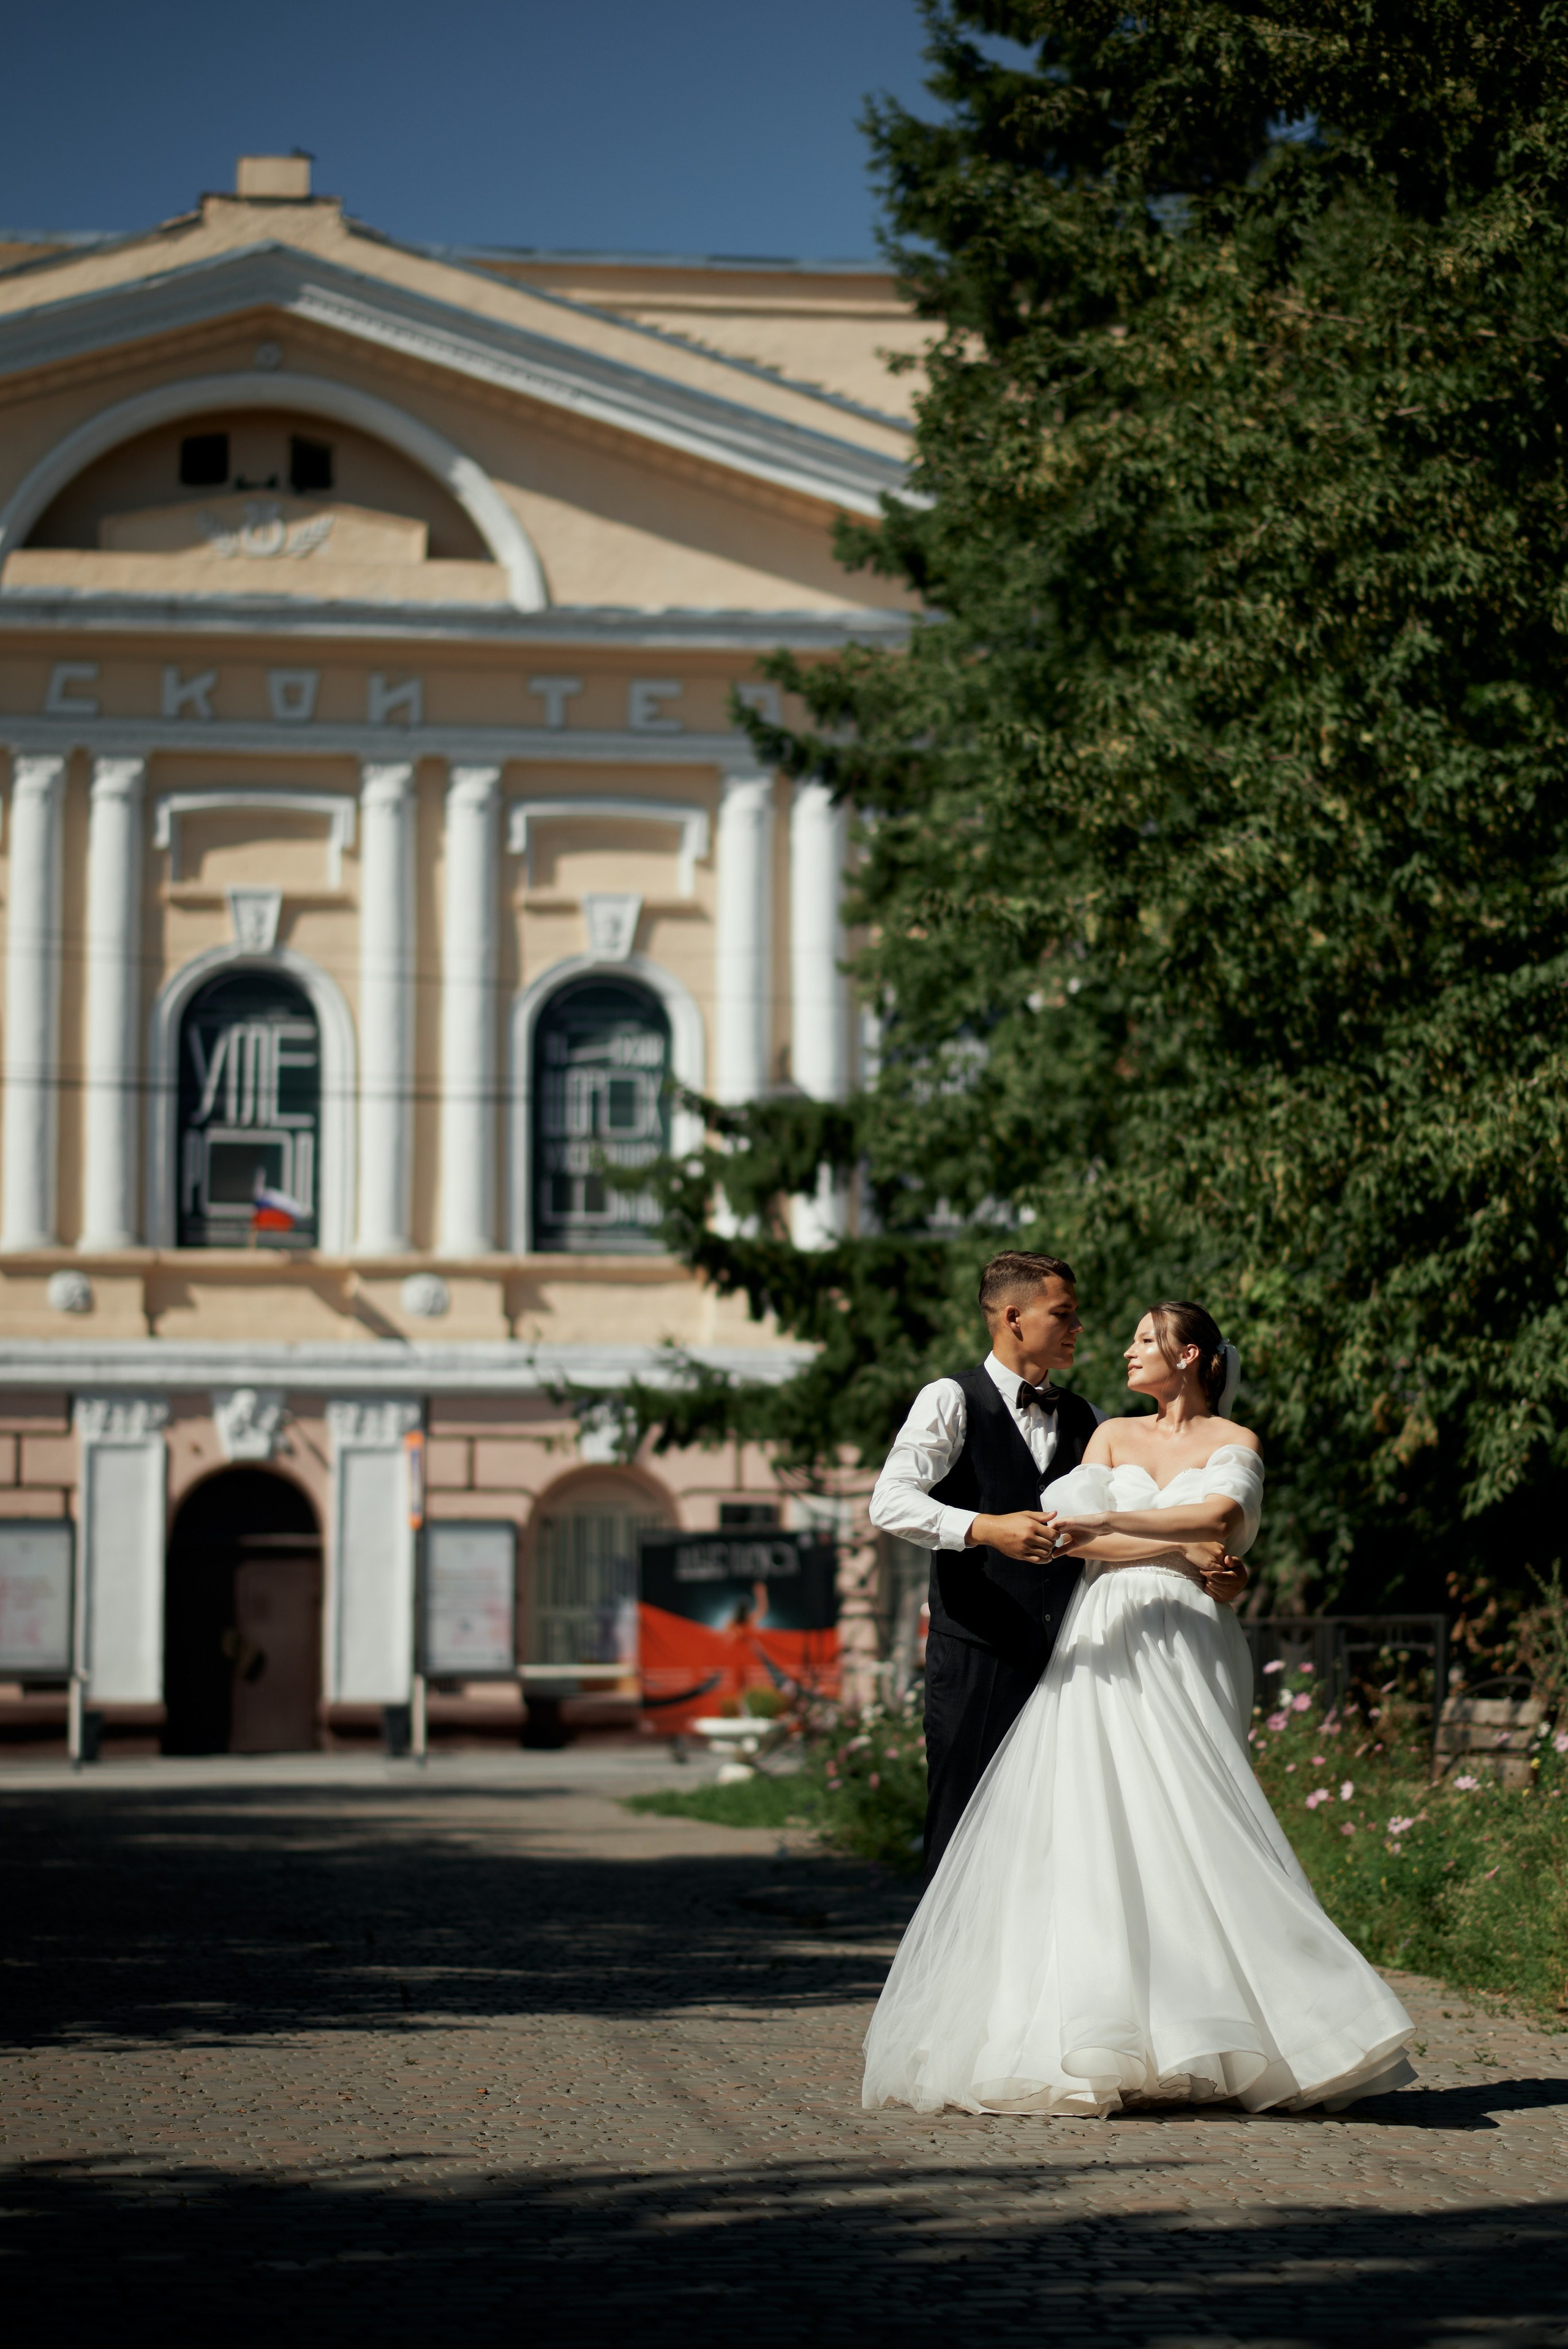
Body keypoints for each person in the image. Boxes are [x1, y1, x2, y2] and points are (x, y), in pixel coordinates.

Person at [862, 1299, 1415, 2117]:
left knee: (1200, 1821)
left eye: (1144, 1338)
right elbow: (1070, 1535)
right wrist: (1174, 1546)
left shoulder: (1237, 1443)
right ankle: (1107, 2033)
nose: (1124, 1347)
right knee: (1097, 1828)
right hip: (1103, 1635)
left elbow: (1219, 1517)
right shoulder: (1110, 1434)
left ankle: (1266, 2027)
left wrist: (1128, 1521)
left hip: (1189, 1638)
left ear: (1189, 1355)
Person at [869, 1253, 1248, 1874]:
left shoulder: (1091, 1420)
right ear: (1014, 1317)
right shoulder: (949, 1399)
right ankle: (958, 1971)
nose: (1079, 1329)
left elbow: (1123, 1525)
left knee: (1064, 1842)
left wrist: (1211, 1565)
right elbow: (890, 1501)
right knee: (962, 1831)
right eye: (1063, 1314)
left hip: (1076, 1660)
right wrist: (984, 1528)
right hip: (978, 1650)